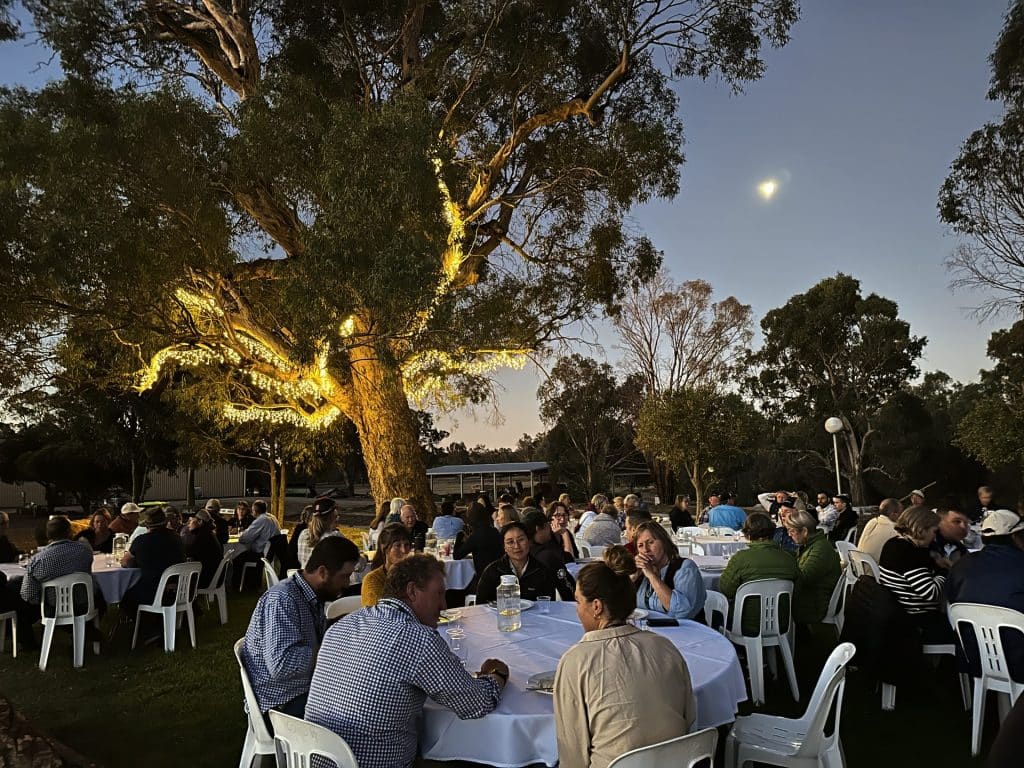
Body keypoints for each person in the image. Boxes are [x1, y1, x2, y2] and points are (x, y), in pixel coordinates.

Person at [307, 555, 506, 768]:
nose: (443, 605)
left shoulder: (343, 624)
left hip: (312, 757)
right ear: (412, 591)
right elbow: (475, 704)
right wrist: (497, 674)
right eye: (439, 594)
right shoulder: (417, 638)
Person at [554, 560, 696, 768]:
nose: (577, 610)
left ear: (596, 607)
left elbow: (572, 754)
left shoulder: (576, 661)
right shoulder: (665, 646)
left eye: (578, 602)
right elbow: (690, 718)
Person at [242, 536, 361, 719]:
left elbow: (309, 635)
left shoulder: (310, 594)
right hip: (280, 702)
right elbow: (282, 665)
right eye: (344, 576)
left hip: (301, 689)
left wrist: (339, 626)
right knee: (363, 710)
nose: (347, 584)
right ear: (322, 572)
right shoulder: (283, 599)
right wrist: (332, 648)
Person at [946, 509, 1024, 684]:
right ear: (1014, 537)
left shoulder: (960, 566)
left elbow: (950, 605)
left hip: (975, 658)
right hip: (1018, 661)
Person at [878, 505, 952, 643]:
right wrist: (945, 570)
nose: (935, 537)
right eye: (934, 531)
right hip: (915, 619)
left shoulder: (894, 543)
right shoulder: (908, 552)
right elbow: (931, 593)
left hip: (897, 611)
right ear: (921, 529)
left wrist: (936, 562)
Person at [719, 512, 801, 633]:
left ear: (747, 533)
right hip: (781, 623)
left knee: (714, 611)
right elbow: (798, 590)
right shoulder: (789, 558)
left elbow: (725, 589)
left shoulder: (740, 558)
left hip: (744, 624)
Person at [475, 522, 565, 603]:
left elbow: (548, 604)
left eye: (521, 540)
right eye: (510, 542)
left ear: (528, 541)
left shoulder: (542, 571)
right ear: (504, 547)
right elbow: (480, 604)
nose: (516, 546)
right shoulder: (493, 571)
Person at [633, 521, 706, 620]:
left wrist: (652, 576)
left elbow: (681, 613)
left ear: (664, 542)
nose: (645, 550)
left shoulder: (685, 568)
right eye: (640, 545)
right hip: (649, 631)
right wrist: (632, 578)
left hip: (685, 631)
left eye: (650, 542)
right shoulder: (641, 572)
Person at [120, 507, 186, 615]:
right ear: (165, 523)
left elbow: (125, 562)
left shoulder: (141, 540)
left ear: (147, 525)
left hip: (151, 591)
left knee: (125, 596)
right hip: (178, 589)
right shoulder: (176, 538)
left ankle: (145, 624)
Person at [784, 509, 841, 624]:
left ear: (804, 531)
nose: (789, 534)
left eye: (792, 531)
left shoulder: (820, 549)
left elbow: (803, 578)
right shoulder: (812, 545)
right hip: (811, 596)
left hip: (815, 603)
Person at [521, 509, 575, 600]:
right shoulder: (548, 556)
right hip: (547, 608)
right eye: (548, 526)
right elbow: (568, 588)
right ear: (538, 528)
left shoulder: (520, 553)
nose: (550, 530)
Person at [361, 523, 413, 607]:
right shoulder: (373, 580)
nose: (404, 550)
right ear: (384, 548)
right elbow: (376, 615)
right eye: (397, 545)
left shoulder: (414, 576)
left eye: (406, 545)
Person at [234, 499, 282, 586]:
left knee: (236, 558)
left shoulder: (261, 520)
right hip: (272, 552)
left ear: (254, 511)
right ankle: (252, 583)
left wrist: (242, 534)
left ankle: (239, 585)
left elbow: (244, 538)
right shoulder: (272, 517)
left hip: (262, 553)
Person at [454, 503, 503, 582]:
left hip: (484, 577)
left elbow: (457, 555)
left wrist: (459, 536)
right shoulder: (495, 531)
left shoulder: (476, 536)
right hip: (499, 573)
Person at [183, 508, 223, 589]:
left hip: (206, 579)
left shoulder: (202, 536)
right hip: (213, 576)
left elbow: (187, 552)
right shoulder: (208, 533)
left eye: (191, 520)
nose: (188, 523)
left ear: (200, 522)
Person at [296, 497, 340, 569]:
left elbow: (300, 560)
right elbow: (355, 563)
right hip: (326, 579)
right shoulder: (335, 537)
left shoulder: (303, 534)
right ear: (331, 517)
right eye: (336, 516)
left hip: (306, 578)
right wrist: (365, 557)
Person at [858, 498, 903, 562]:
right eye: (901, 513)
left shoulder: (871, 522)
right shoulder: (895, 530)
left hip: (859, 566)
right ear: (894, 514)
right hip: (875, 570)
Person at [930, 505, 970, 570]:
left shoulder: (963, 551)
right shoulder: (924, 548)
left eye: (966, 523)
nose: (963, 527)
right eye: (957, 521)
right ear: (939, 522)